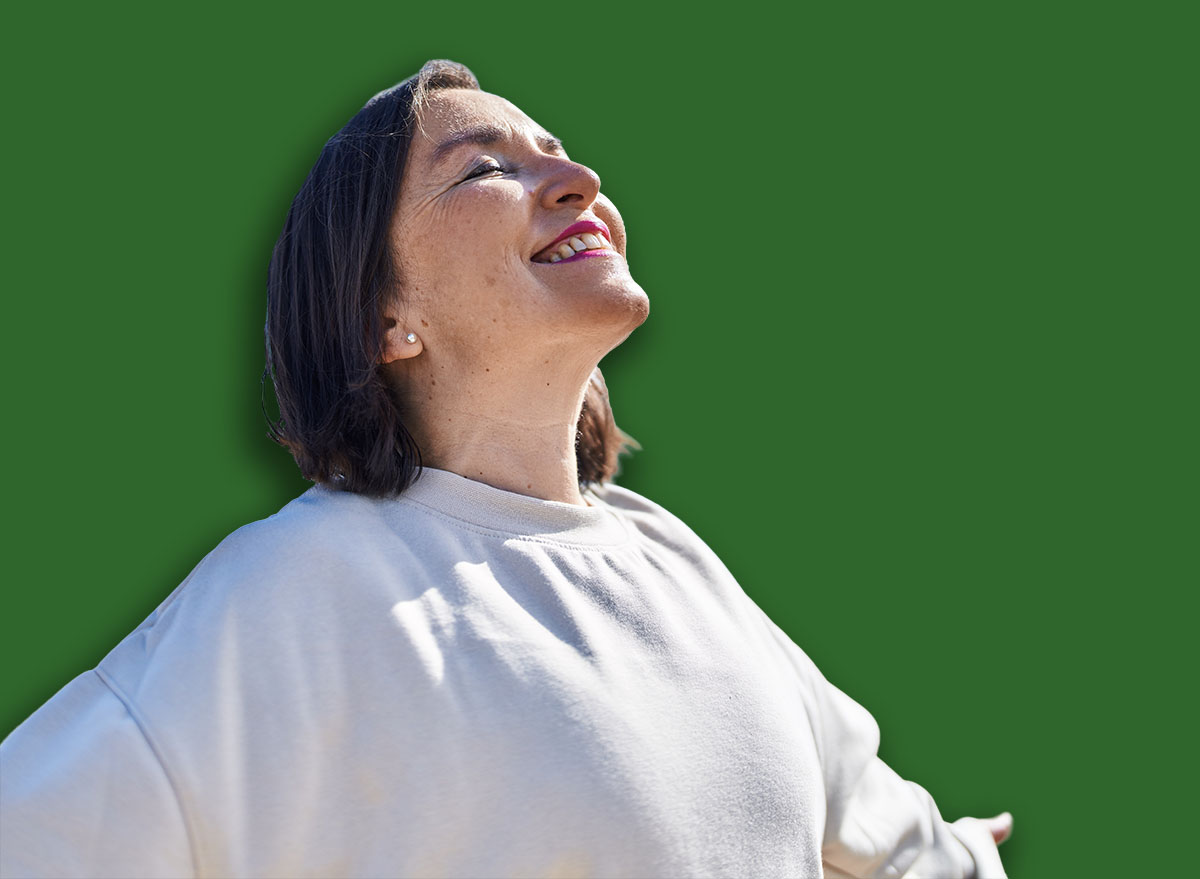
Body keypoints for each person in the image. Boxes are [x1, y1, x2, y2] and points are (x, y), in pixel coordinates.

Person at [0, 60, 1011, 878]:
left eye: (559, 155)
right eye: (488, 169)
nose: (581, 182)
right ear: (384, 316)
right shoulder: (293, 596)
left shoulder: (679, 565)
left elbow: (905, 847)